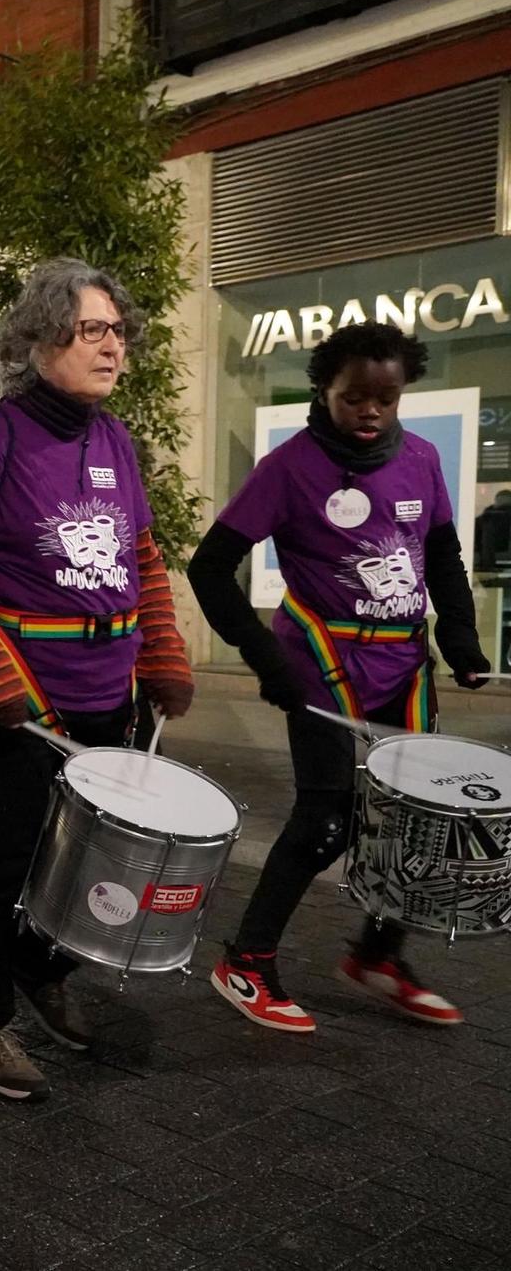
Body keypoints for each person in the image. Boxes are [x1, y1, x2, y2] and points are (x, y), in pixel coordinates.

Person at [0, 258, 193, 1101]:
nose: (112, 345)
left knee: (94, 858)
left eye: (117, 330)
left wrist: (162, 650)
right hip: (15, 707)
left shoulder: (114, 438)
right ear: (37, 340)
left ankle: (39, 965)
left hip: (106, 694)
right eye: (91, 329)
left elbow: (140, 556)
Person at [189, 323, 488, 1033]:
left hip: (404, 660)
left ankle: (378, 956)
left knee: (417, 823)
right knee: (324, 820)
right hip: (321, 661)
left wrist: (462, 636)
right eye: (355, 396)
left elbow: (442, 554)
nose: (371, 410)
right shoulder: (289, 467)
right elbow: (209, 568)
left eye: (386, 397)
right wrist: (265, 656)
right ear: (325, 390)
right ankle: (248, 961)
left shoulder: (420, 458)